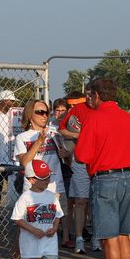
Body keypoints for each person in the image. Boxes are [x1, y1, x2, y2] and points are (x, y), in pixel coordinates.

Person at [75, 77, 130, 259]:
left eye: (89, 95)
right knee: (124, 235)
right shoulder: (128, 118)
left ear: (96, 94)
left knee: (109, 237)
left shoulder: (94, 119)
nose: (87, 99)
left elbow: (81, 156)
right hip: (129, 177)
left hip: (106, 179)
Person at [11, 159, 63, 259]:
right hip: (30, 242)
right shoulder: (26, 197)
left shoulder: (51, 196)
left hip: (49, 241)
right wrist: (33, 230)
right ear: (32, 180)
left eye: (48, 177)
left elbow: (58, 215)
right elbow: (17, 219)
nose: (47, 181)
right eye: (43, 178)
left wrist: (54, 227)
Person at [58, 92, 98, 254]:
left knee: (96, 202)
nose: (90, 98)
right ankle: (80, 238)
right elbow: (62, 130)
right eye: (88, 94)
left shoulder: (102, 110)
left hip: (99, 161)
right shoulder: (76, 111)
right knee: (80, 201)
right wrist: (78, 135)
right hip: (80, 161)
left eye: (92, 94)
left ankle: (97, 237)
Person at [51, 98, 73, 248]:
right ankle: (51, 233)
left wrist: (68, 154)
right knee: (51, 203)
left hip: (65, 168)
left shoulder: (70, 126)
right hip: (50, 170)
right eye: (57, 110)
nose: (59, 113)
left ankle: (66, 236)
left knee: (65, 204)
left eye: (62, 110)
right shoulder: (49, 127)